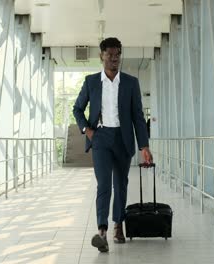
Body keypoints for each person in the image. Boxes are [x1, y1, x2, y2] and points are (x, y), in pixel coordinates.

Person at [73, 37, 153, 253]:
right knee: (104, 185)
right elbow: (77, 109)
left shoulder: (130, 82)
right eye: (110, 54)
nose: (114, 58)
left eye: (117, 54)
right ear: (102, 56)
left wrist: (144, 146)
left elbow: (137, 116)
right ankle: (102, 231)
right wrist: (87, 130)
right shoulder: (91, 82)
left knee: (121, 183)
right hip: (100, 138)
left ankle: (119, 225)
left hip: (123, 139)